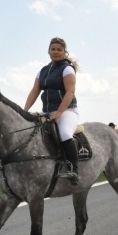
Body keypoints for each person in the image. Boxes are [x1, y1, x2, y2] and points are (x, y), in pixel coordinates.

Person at [23, 37, 80, 184]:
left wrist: (60, 112)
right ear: (48, 51)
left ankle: (74, 169)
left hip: (67, 110)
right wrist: (23, 111)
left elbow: (70, 92)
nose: (55, 52)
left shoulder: (67, 68)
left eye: (59, 50)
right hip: (47, 111)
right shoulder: (42, 71)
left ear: (64, 52)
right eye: (53, 49)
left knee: (65, 134)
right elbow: (35, 91)